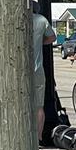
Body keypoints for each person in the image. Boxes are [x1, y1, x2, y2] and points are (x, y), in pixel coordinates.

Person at [31, 8, 55, 140]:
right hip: (37, 69)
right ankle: (38, 136)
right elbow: (52, 37)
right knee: (39, 106)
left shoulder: (15, 18)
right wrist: (40, 42)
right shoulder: (41, 20)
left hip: (19, 70)